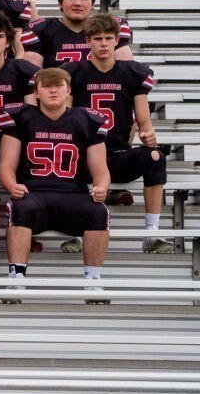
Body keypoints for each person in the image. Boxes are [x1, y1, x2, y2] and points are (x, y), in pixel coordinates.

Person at [0, 67, 111, 300]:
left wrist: (101, 188)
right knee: (20, 206)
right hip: (35, 192)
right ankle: (16, 279)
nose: (53, 90)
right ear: (36, 92)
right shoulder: (21, 118)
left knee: (99, 211)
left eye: (58, 85)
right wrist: (11, 186)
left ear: (68, 91)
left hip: (73, 194)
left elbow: (101, 170)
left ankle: (93, 281)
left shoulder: (86, 120)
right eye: (47, 86)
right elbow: (6, 166)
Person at [62, 14, 171, 254]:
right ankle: (76, 231)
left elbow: (144, 121)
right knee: (68, 157)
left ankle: (151, 232)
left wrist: (148, 133)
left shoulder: (132, 72)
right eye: (98, 38)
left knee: (154, 156)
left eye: (108, 38)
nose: (103, 43)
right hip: (86, 155)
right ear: (88, 41)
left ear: (116, 41)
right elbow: (66, 118)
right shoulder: (73, 72)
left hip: (119, 153)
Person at [22, 0, 133, 69]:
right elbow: (32, 79)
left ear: (93, 4)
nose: (77, 3)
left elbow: (125, 75)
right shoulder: (41, 30)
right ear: (60, 3)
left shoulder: (110, 26)